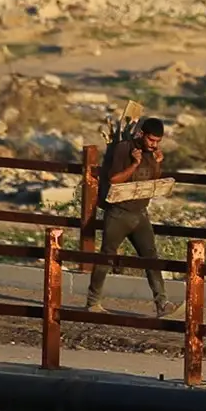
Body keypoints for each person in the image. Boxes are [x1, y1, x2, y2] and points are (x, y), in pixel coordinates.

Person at [86, 117, 172, 315]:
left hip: (140, 213)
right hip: (119, 213)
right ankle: (93, 302)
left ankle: (162, 303)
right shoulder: (124, 149)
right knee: (107, 256)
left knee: (151, 257)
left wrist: (157, 163)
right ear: (141, 134)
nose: (154, 144)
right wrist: (134, 164)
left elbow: (152, 180)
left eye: (157, 141)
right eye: (151, 140)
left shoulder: (151, 153)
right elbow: (114, 180)